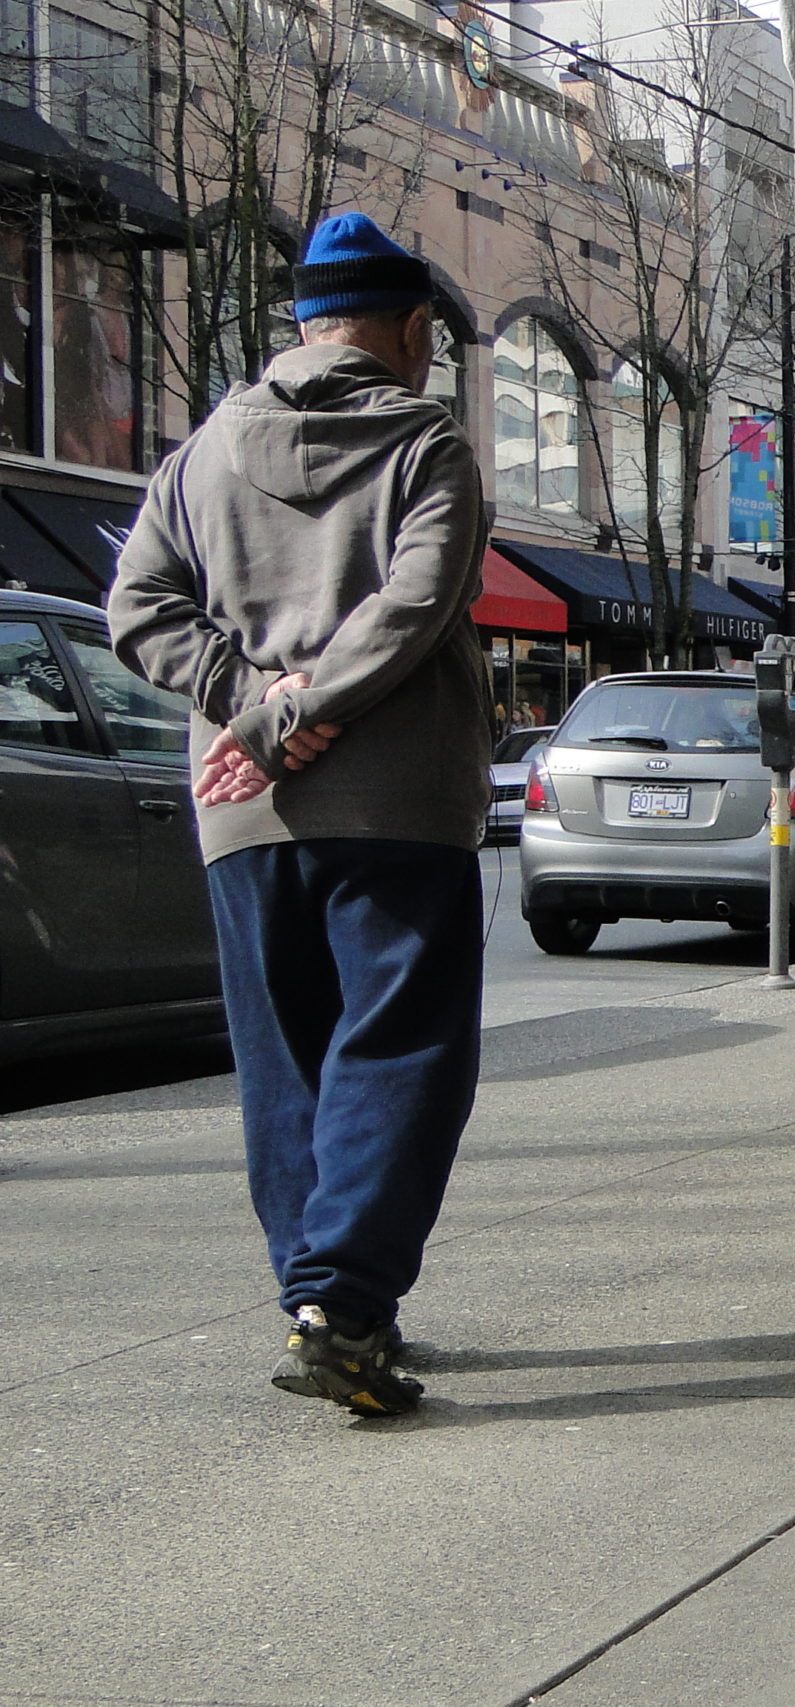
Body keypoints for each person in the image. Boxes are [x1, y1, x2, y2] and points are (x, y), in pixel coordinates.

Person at [109, 213, 493, 1417]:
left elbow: (137, 604)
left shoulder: (202, 452)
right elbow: (418, 604)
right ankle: (349, 1307)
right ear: (412, 327)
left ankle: (317, 1309)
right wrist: (302, 711)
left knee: (287, 1066)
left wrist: (247, 703)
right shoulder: (426, 444)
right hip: (399, 802)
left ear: (302, 326)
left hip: (245, 816)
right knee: (401, 1051)